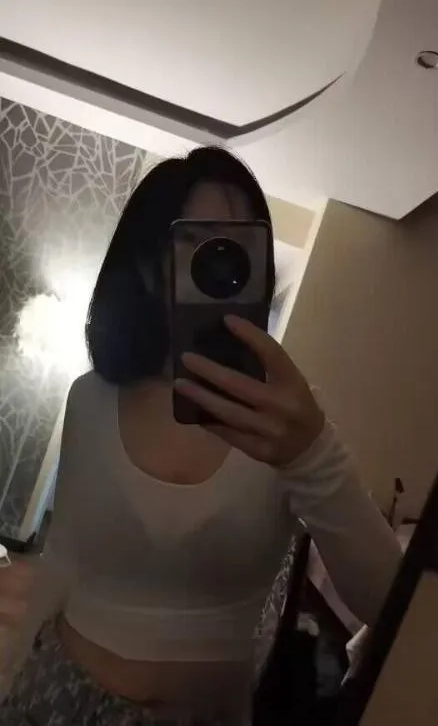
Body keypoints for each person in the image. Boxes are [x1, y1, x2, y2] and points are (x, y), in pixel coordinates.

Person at [0, 147, 402, 725]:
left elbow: (392, 606)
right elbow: (63, 559)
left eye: (241, 246)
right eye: (198, 242)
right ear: (147, 265)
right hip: (57, 699)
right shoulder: (92, 398)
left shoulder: (284, 420)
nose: (221, 263)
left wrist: (316, 458)